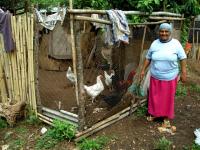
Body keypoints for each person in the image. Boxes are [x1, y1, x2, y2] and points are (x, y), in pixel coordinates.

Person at [140, 23, 187, 128]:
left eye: (166, 31)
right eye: (162, 31)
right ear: (159, 32)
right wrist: (143, 70)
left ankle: (165, 117)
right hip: (155, 75)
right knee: (154, 97)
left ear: (170, 32)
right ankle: (155, 114)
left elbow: (183, 58)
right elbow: (148, 58)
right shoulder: (155, 43)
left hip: (170, 77)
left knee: (167, 98)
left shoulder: (176, 44)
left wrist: (184, 73)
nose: (164, 33)